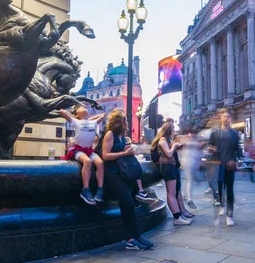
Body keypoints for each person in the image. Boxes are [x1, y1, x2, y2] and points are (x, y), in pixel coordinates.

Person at [101, 109, 153, 250]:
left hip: (124, 173)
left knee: (128, 206)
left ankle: (136, 237)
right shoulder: (110, 135)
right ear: (118, 121)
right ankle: (131, 238)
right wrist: (124, 152)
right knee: (128, 203)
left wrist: (130, 150)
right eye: (124, 120)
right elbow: (105, 155)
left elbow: (125, 154)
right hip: (113, 173)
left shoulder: (122, 137)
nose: (126, 123)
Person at [59, 106, 105, 205]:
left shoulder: (93, 122)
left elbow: (103, 115)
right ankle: (85, 189)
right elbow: (62, 111)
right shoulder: (76, 122)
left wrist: (88, 119)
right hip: (78, 149)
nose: (83, 107)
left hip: (88, 150)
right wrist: (76, 118)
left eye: (84, 107)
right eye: (80, 108)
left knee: (100, 163)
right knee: (87, 161)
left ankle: (100, 189)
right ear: (77, 115)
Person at [151, 122, 191, 225]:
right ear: (169, 130)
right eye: (173, 130)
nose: (174, 132)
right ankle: (177, 218)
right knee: (171, 193)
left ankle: (178, 215)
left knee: (174, 192)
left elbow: (169, 152)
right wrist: (174, 147)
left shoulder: (168, 140)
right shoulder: (163, 140)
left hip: (171, 167)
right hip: (167, 167)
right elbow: (168, 154)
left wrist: (177, 147)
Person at [208, 109, 242, 226]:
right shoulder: (215, 133)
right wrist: (212, 149)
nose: (227, 119)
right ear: (221, 119)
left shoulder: (234, 133)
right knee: (219, 187)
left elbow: (238, 149)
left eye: (228, 117)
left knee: (230, 189)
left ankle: (230, 215)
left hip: (229, 164)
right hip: (218, 164)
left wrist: (235, 160)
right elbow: (209, 146)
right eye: (224, 117)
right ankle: (222, 205)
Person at [179, 133, 202, 209]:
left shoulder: (190, 140)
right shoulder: (185, 140)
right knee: (189, 179)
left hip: (189, 162)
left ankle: (184, 195)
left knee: (188, 179)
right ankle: (189, 199)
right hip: (188, 162)